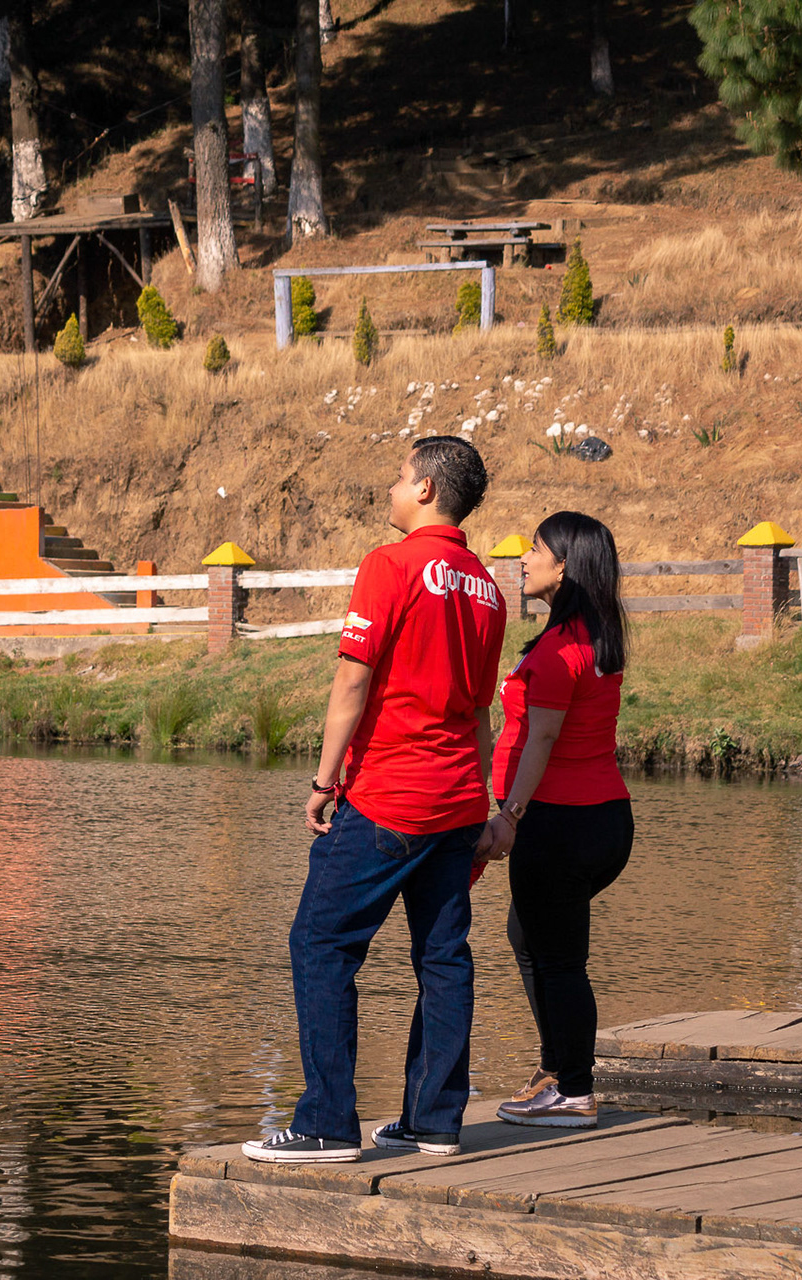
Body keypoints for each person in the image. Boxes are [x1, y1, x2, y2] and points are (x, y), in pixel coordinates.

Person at [242, 437, 507, 1164]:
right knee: (444, 958)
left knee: (320, 944)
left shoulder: (389, 565)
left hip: (391, 794)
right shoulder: (487, 586)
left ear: (425, 488)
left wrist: (324, 783)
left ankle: (327, 1122)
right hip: (456, 801)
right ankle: (433, 1121)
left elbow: (352, 682)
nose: (390, 489)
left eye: (398, 477)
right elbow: (482, 712)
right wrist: (487, 804)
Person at [480, 512, 632, 1130]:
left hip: (559, 822)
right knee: (532, 939)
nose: (524, 557)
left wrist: (510, 815)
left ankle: (572, 1089)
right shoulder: (590, 633)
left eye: (536, 548)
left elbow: (541, 739)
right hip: (601, 820)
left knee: (559, 958)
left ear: (564, 564)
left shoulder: (563, 647)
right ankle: (557, 1069)